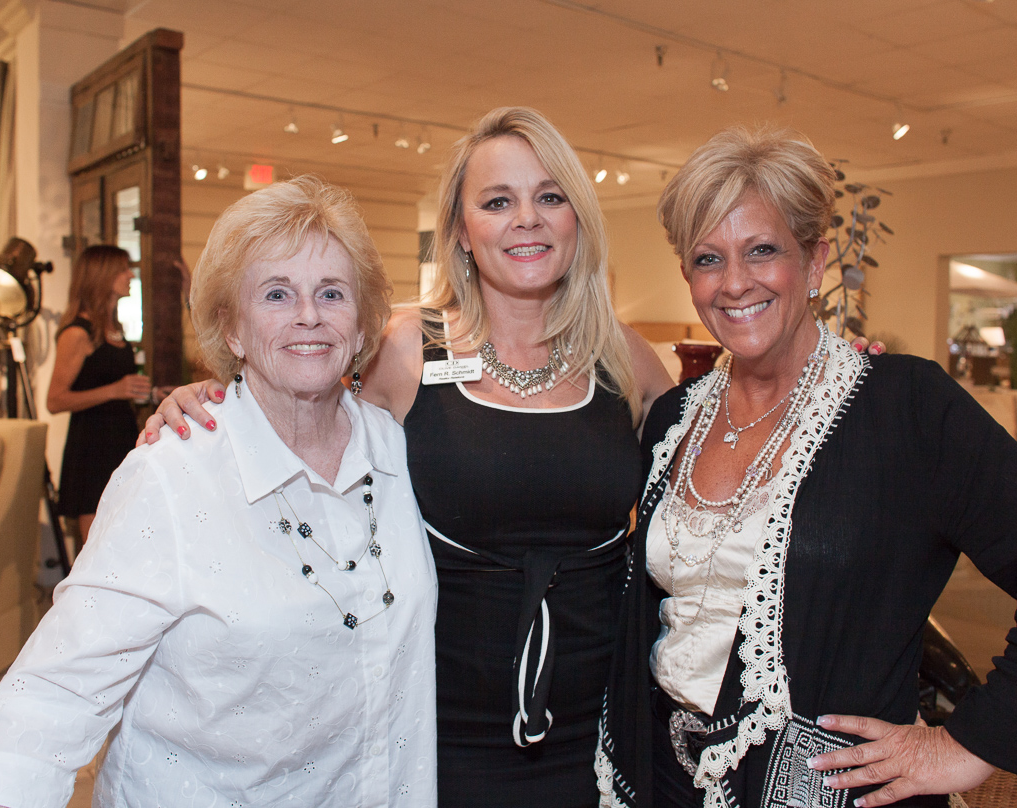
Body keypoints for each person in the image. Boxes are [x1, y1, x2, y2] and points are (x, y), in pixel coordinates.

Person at [141, 107, 673, 807]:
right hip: (436, 727)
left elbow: (715, 474)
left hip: (601, 724)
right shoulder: (406, 349)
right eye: (497, 202)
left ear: (578, 216)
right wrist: (215, 402)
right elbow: (303, 422)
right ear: (460, 229)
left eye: (550, 196)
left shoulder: (623, 358)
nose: (527, 219)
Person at [594, 127, 1017, 808]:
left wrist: (968, 744)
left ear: (815, 261)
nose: (734, 282)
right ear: (689, 278)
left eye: (763, 250)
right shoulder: (676, 417)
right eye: (709, 259)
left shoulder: (903, 407)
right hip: (661, 778)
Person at [0, 176, 438, 807]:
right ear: (231, 330)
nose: (309, 315)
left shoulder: (399, 449)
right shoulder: (172, 476)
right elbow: (56, 692)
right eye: (276, 293)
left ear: (362, 323)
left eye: (331, 292)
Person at [46, 244, 151, 541]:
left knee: (126, 535)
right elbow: (54, 400)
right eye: (123, 269)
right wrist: (115, 390)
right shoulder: (78, 333)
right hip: (91, 448)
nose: (130, 275)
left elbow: (115, 386)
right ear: (102, 275)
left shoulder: (114, 328)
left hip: (120, 439)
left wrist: (150, 392)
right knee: (98, 543)